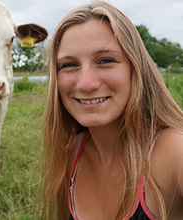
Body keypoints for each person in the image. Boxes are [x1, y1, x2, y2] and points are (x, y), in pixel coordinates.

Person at [39, 1, 183, 220]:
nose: (86, 84)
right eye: (69, 65)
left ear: (136, 69)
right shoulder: (71, 155)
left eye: (105, 60)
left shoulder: (174, 152)